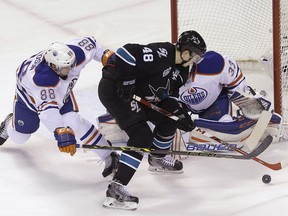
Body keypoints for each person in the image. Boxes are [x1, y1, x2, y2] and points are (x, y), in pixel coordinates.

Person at [98, 30, 206, 210]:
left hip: (141, 97)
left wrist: (180, 114)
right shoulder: (162, 53)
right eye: (195, 55)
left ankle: (157, 158)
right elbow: (126, 52)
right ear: (186, 52)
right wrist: (126, 81)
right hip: (116, 92)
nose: (196, 60)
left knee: (169, 120)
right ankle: (116, 189)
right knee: (141, 136)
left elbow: (168, 96)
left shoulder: (184, 71)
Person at [0, 36, 119, 178]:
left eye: (71, 64)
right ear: (54, 67)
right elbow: (48, 112)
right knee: (20, 137)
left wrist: (106, 56)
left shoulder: (75, 55)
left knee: (74, 121)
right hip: (29, 97)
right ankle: (9, 123)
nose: (71, 68)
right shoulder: (42, 81)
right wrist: (60, 131)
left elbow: (92, 45)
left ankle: (108, 154)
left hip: (59, 92)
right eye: (66, 67)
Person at [178, 49, 287, 145]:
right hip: (182, 106)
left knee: (227, 131)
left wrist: (253, 109)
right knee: (175, 128)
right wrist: (179, 116)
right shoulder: (166, 72)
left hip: (215, 101)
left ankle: (262, 128)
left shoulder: (213, 63)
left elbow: (238, 88)